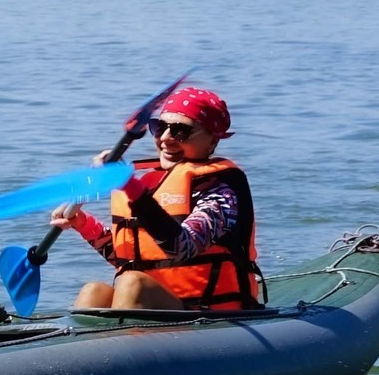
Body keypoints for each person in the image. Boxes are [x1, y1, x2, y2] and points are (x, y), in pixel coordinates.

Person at [49, 85, 259, 312]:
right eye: (159, 127)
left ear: (212, 142)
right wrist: (83, 224)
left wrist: (130, 186)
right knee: (93, 292)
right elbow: (136, 259)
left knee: (133, 284)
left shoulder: (221, 191)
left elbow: (182, 248)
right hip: (162, 309)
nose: (166, 138)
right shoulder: (153, 182)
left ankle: (123, 344)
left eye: (181, 131)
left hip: (211, 313)